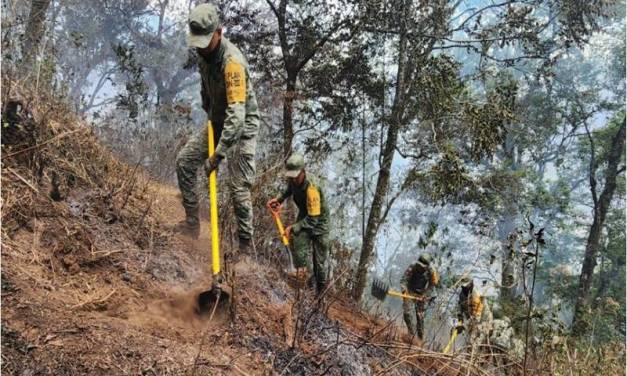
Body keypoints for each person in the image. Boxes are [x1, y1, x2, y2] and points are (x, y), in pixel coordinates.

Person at [173, 3, 260, 255]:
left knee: (238, 187)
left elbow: (238, 115)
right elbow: (205, 87)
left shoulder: (232, 63)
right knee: (185, 162)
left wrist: (218, 155)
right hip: (218, 120)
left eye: (205, 40)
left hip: (242, 125)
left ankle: (245, 249)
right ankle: (192, 225)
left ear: (219, 32)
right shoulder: (203, 53)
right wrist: (207, 108)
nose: (200, 46)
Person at [267, 153, 330, 296]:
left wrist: (293, 227)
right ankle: (301, 277)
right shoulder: (293, 179)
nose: (294, 179)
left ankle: (320, 295)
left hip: (320, 223)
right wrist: (279, 199)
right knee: (298, 240)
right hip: (305, 214)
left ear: (303, 171)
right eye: (292, 176)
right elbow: (290, 189)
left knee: (319, 263)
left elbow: (313, 220)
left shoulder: (312, 189)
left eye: (296, 175)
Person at [400, 254, 439, 340]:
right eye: (419, 266)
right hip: (409, 291)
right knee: (407, 313)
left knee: (420, 317)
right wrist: (404, 291)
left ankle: (420, 339)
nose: (420, 268)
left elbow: (432, 285)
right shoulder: (413, 266)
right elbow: (404, 280)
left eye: (423, 267)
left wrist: (426, 295)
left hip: (421, 294)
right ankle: (411, 335)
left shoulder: (431, 271)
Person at [457, 277, 491, 347]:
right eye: (463, 286)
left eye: (466, 286)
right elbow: (461, 307)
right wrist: (460, 320)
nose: (465, 288)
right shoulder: (462, 294)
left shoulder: (476, 293)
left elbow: (476, 317)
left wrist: (465, 325)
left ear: (471, 284)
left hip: (482, 319)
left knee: (474, 342)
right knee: (470, 339)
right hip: (471, 319)